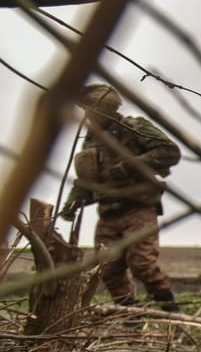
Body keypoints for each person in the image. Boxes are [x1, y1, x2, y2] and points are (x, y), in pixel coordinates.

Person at [59, 84, 182, 312]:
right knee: (107, 269)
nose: (86, 116)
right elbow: (86, 180)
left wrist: (131, 165)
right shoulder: (91, 140)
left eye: (89, 110)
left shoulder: (134, 128)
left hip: (139, 208)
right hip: (108, 213)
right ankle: (131, 319)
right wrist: (71, 205)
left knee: (143, 264)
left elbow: (170, 151)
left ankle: (173, 315)